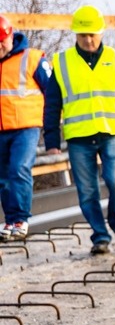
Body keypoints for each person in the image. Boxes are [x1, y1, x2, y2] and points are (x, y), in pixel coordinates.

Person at [43, 5, 115, 256]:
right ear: (75, 34)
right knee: (87, 191)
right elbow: (52, 103)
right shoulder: (62, 62)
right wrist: (52, 138)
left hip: (112, 132)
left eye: (93, 35)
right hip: (79, 137)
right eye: (83, 35)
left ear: (101, 33)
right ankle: (100, 236)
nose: (88, 40)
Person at [0, 15, 53, 243]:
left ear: (10, 36)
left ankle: (21, 219)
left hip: (26, 127)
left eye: (1, 41)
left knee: (19, 168)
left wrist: (52, 128)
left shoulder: (32, 59)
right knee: (3, 177)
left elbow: (52, 91)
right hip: (2, 128)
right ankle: (11, 220)